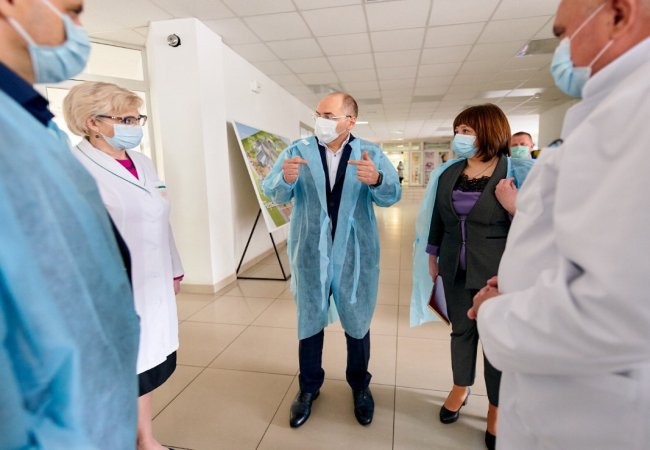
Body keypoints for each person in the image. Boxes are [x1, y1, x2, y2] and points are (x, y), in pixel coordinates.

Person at [468, 1, 650, 449]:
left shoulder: (636, 114)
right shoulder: (612, 109)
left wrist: (495, 312)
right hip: (564, 384)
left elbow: (620, 307)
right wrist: (522, 282)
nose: (562, 50)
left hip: (594, 411)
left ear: (618, 15)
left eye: (565, 33)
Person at [0, 0, 140, 448]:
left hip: (85, 396)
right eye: (72, 10)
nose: (78, 28)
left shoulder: (33, 123)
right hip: (46, 423)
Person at [263, 92, 401, 428]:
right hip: (311, 250)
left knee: (357, 318)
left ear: (350, 121)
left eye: (329, 115)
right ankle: (308, 387)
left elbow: (391, 196)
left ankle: (360, 386)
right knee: (310, 318)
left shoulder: (370, 153)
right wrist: (285, 179)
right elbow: (273, 192)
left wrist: (378, 180)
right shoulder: (297, 151)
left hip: (355, 253)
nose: (320, 121)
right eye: (318, 114)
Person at [63, 82, 184, 450]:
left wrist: (174, 267)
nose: (135, 126)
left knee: (142, 369)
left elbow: (159, 218)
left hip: (151, 282)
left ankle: (145, 440)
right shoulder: (71, 169)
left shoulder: (141, 162)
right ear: (92, 123)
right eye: (126, 119)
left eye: (136, 118)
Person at [410, 104, 533, 450]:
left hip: (498, 270)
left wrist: (513, 206)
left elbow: (542, 225)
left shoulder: (518, 171)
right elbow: (438, 217)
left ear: (488, 131)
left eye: (466, 131)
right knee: (461, 331)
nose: (459, 137)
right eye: (457, 130)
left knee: (495, 340)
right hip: (454, 265)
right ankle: (460, 387)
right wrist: (433, 255)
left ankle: (496, 407)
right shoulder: (450, 172)